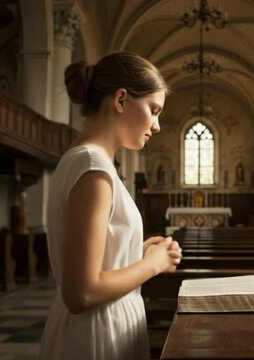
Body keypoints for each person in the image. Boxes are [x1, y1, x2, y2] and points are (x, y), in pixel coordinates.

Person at [38, 52, 182, 359]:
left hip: (99, 325)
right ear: (121, 100)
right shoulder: (93, 168)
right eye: (153, 110)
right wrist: (153, 264)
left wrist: (136, 251)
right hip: (98, 333)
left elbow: (93, 263)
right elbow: (82, 292)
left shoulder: (86, 160)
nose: (156, 126)